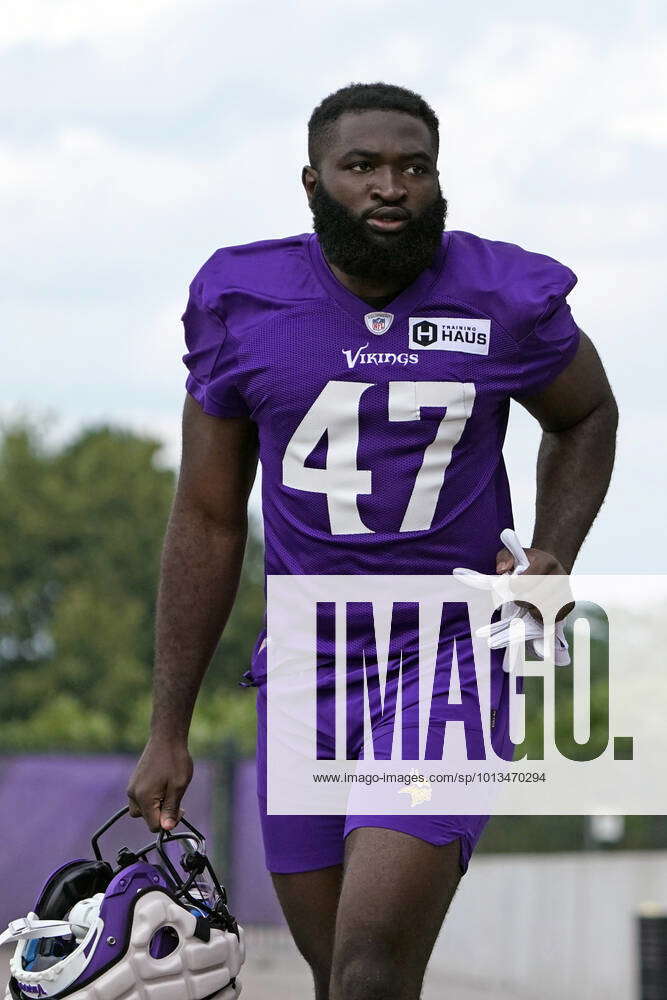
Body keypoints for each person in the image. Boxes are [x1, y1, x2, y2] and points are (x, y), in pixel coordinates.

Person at [127, 82, 618, 1000]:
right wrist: (169, 729)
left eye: (413, 167)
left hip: (450, 653)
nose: (391, 186)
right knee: (338, 977)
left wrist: (554, 552)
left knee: (370, 964)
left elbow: (585, 413)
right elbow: (205, 516)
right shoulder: (244, 298)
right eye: (363, 167)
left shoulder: (501, 295)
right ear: (312, 183)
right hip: (309, 661)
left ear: (439, 183)